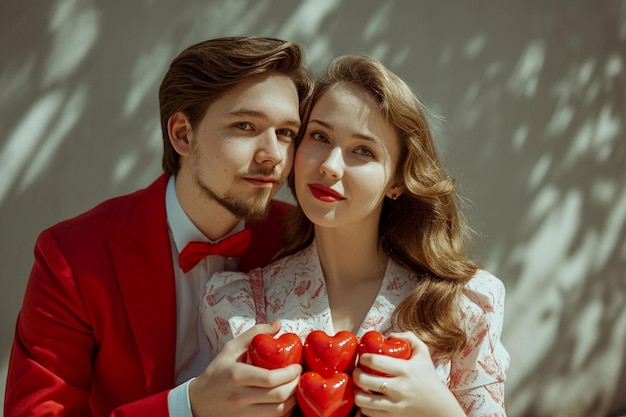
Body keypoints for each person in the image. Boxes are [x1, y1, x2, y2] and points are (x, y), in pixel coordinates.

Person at [4, 36, 314, 417]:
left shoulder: (302, 236)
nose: (274, 156)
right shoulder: (72, 256)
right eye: (246, 125)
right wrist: (188, 405)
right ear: (183, 134)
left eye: (285, 132)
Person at [201, 54, 510, 416]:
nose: (330, 166)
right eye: (319, 136)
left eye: (363, 151)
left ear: (397, 180)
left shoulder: (464, 305)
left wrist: (439, 410)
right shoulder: (241, 306)